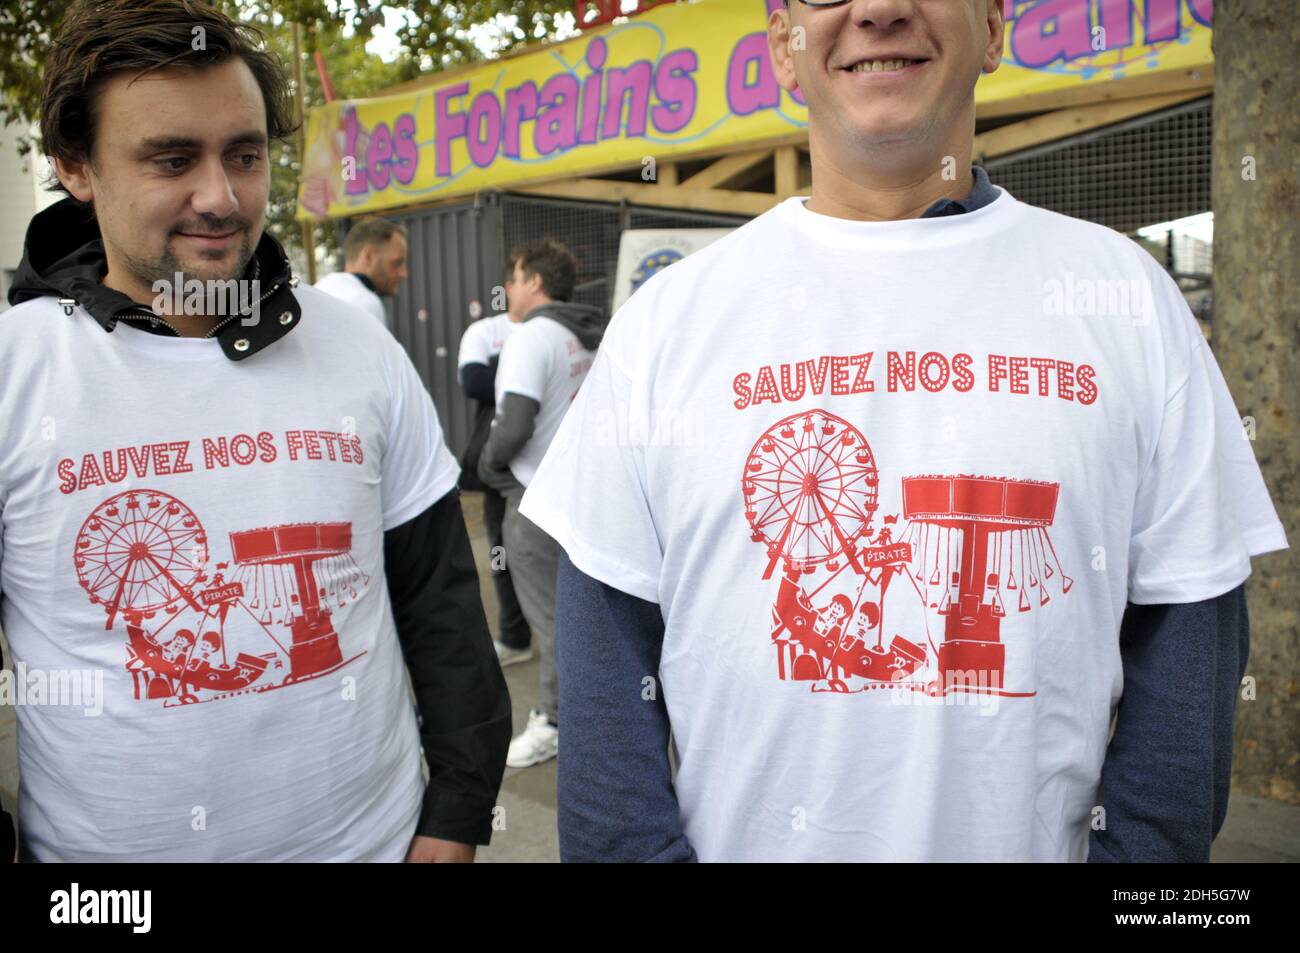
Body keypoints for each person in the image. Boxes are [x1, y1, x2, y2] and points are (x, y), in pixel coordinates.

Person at [519, 0, 1289, 861]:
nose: (879, 10)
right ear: (784, 45)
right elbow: (605, 683)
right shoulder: (665, 327)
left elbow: (1189, 640)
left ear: (994, 29)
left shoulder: (1126, 301)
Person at [1, 0, 510, 862]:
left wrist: (457, 814)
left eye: (243, 154)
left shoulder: (358, 349)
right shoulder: (17, 373)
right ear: (76, 168)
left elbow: (441, 607)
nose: (222, 196)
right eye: (172, 158)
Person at [478, 240, 605, 769]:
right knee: (583, 616)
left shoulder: (532, 336)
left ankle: (554, 722)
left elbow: (515, 424)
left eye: (513, 277)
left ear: (532, 279)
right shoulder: (588, 334)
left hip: (535, 501)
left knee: (551, 621)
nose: (507, 288)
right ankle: (594, 711)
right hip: (583, 493)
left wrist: (485, 467)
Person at [457, 307, 534, 666]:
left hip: (546, 464)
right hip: (501, 468)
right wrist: (529, 382)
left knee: (547, 558)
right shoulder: (487, 331)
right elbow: (473, 381)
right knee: (502, 555)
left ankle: (553, 636)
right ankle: (516, 636)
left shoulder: (550, 329)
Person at [314, 219, 408, 330]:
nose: (403, 273)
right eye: (396, 263)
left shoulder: (321, 288)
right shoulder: (365, 303)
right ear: (368, 256)